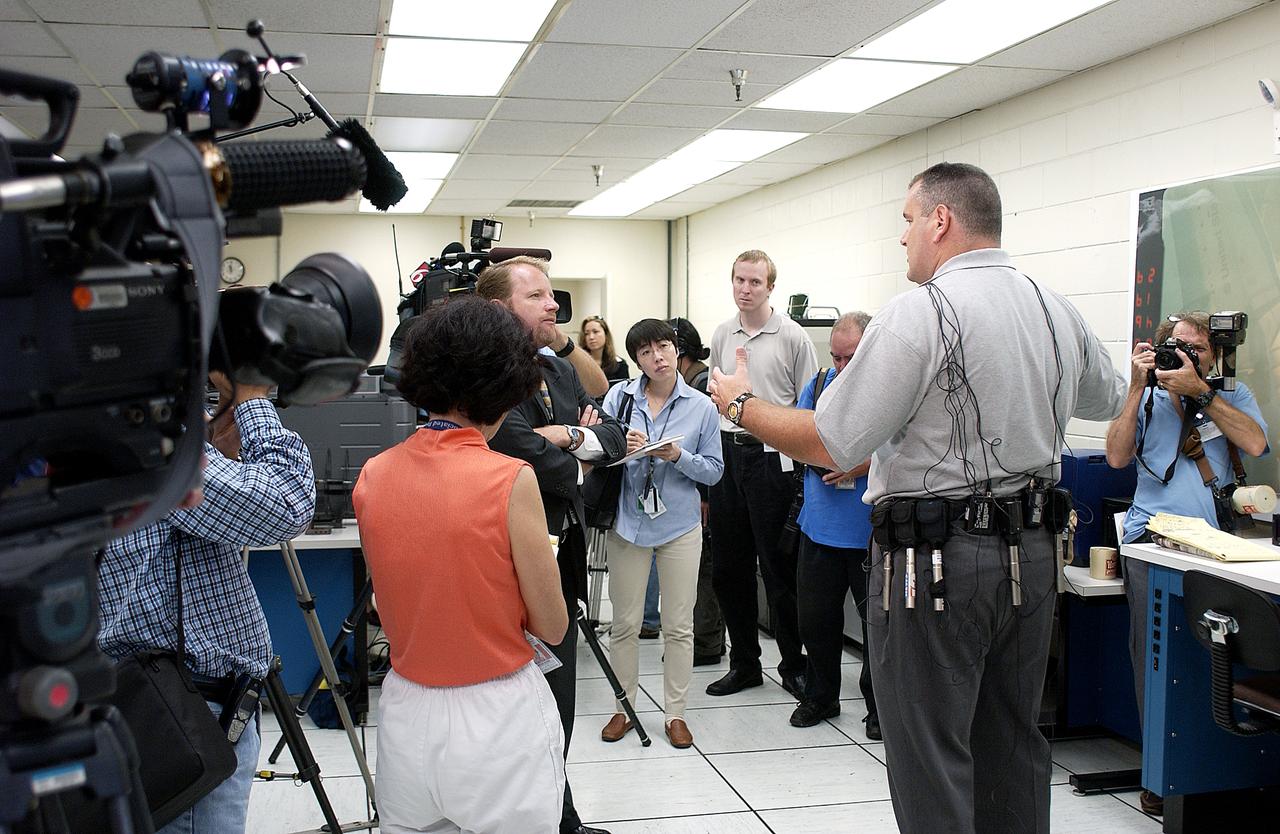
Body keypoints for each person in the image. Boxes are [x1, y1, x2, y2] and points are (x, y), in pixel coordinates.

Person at [708, 162, 1127, 834]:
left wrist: (742, 403)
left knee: (929, 752)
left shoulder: (920, 312)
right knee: (1012, 743)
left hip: (937, 566)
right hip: (1035, 555)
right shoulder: (1055, 308)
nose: (903, 237)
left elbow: (832, 441)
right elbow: (1107, 397)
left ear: (941, 220)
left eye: (908, 221)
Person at [354, 297, 569, 834]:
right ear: (503, 390)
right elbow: (553, 625)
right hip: (496, 713)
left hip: (405, 710)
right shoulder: (510, 478)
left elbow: (390, 596)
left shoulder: (373, 476)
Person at [96, 373, 315, 834]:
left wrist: (216, 447)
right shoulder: (147, 433)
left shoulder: (89, 423)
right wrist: (253, 397)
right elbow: (285, 505)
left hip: (151, 701)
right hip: (188, 711)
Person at [477, 256, 626, 834]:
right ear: (499, 310)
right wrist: (574, 455)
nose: (552, 306)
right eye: (536, 296)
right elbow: (519, 453)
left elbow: (608, 434)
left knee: (558, 697)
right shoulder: (481, 380)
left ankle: (561, 818)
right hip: (503, 562)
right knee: (508, 703)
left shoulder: (557, 370)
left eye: (550, 295)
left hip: (563, 553)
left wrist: (569, 437)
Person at [1104, 309, 1268, 816]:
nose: (1184, 355)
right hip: (1151, 544)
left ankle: (1203, 769)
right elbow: (1114, 457)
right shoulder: (1148, 397)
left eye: (1196, 349)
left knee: (1208, 664)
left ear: (1214, 357)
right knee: (1151, 662)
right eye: (1176, 346)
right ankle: (1158, 774)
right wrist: (1135, 387)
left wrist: (1201, 392)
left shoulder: (1229, 397)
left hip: (1213, 552)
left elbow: (1257, 443)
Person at [598, 319, 724, 749]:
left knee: (679, 626)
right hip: (629, 523)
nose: (658, 356)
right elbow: (596, 453)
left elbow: (714, 469)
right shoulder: (619, 397)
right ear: (637, 359)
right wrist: (621, 448)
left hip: (680, 526)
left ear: (677, 350)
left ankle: (676, 714)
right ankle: (624, 708)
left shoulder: (701, 406)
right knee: (625, 624)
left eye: (665, 346)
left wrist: (678, 455)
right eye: (648, 351)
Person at [705, 250, 817, 699]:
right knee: (730, 569)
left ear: (771, 287)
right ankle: (745, 664)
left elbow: (811, 405)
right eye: (739, 280)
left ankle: (794, 665)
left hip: (773, 461)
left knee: (778, 571)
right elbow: (716, 397)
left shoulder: (792, 337)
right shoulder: (721, 333)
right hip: (729, 456)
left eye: (754, 282)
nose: (745, 289)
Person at [788, 312, 879, 741]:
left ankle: (878, 706)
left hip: (869, 534)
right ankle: (821, 695)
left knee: (877, 627)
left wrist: (861, 463)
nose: (842, 367)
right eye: (836, 357)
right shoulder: (820, 384)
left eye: (851, 359)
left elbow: (904, 448)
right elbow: (798, 435)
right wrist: (824, 457)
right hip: (819, 530)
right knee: (816, 621)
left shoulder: (889, 390)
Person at [670, 316, 727, 665]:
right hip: (708, 488)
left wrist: (705, 496)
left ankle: (706, 642)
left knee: (705, 569)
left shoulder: (700, 385)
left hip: (709, 488)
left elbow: (709, 444)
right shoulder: (698, 377)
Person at [582, 315, 631, 383]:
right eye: (587, 333)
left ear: (606, 334)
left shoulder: (619, 364)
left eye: (595, 332)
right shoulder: (579, 362)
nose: (591, 337)